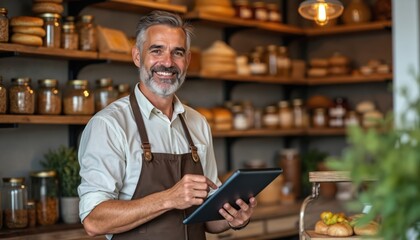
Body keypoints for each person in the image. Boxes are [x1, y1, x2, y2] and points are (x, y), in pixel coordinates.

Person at [78, 10, 257, 240]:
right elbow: (93, 220)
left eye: (177, 53)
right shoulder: (110, 125)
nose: (167, 62)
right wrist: (168, 198)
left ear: (187, 60)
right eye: (156, 50)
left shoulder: (198, 124)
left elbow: (209, 221)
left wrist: (234, 217)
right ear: (136, 56)